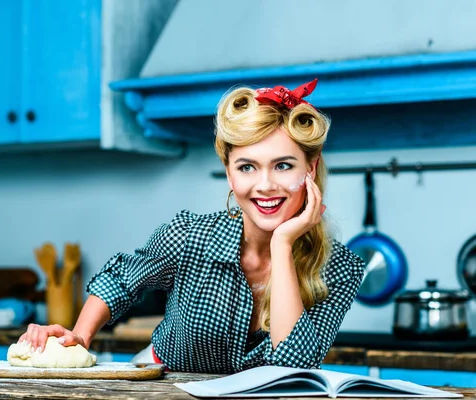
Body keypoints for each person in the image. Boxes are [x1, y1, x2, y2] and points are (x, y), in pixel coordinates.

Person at [19, 79, 365, 374]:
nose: (265, 185)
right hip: (160, 387)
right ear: (229, 172)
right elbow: (120, 279)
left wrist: (282, 244)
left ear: (310, 168)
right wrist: (80, 335)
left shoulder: (341, 269)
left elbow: (295, 370)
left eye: (283, 166)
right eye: (247, 167)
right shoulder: (189, 237)